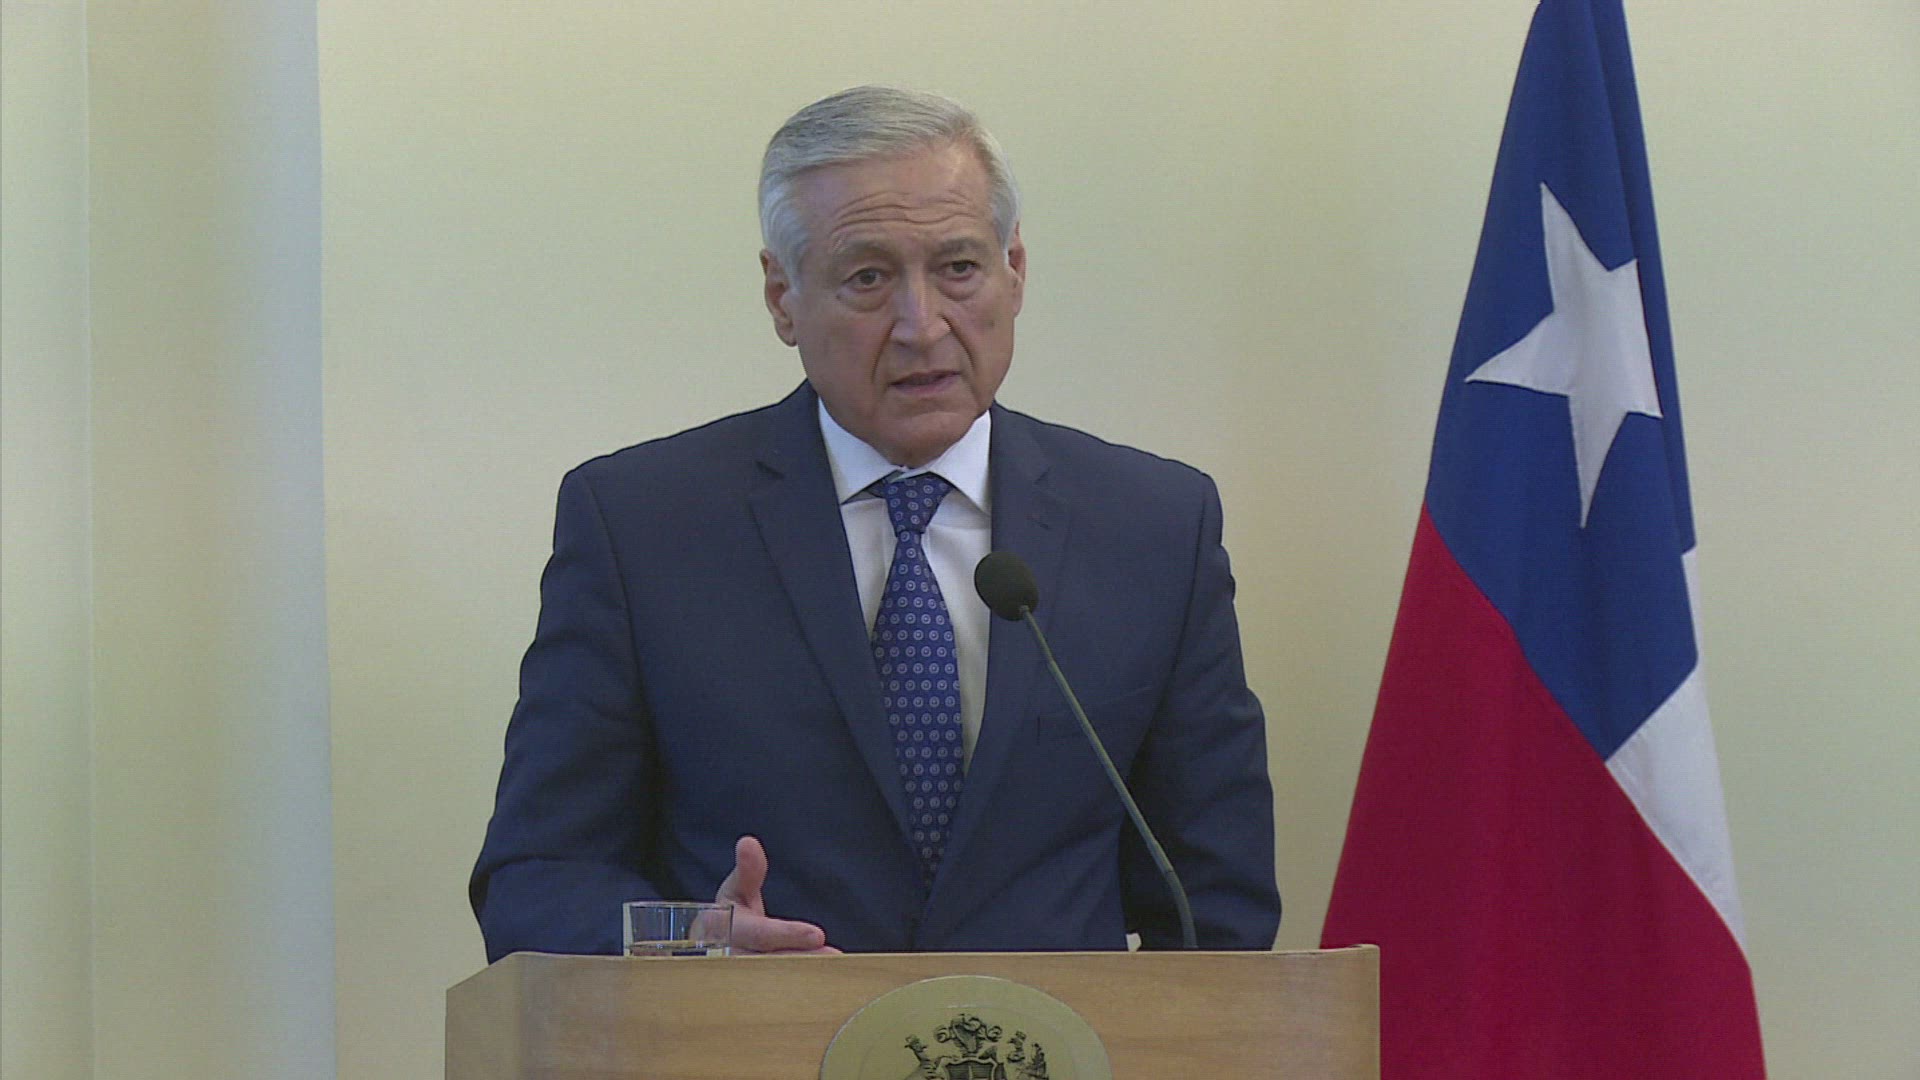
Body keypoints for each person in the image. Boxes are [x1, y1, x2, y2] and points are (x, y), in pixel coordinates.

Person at [470, 86, 1279, 960]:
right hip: (753, 1034)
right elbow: (536, 879)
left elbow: (1215, 904)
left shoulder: (1155, 528)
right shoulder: (642, 528)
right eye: (867, 279)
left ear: (1015, 270)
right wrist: (695, 944)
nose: (921, 326)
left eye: (959, 268)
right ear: (782, 297)